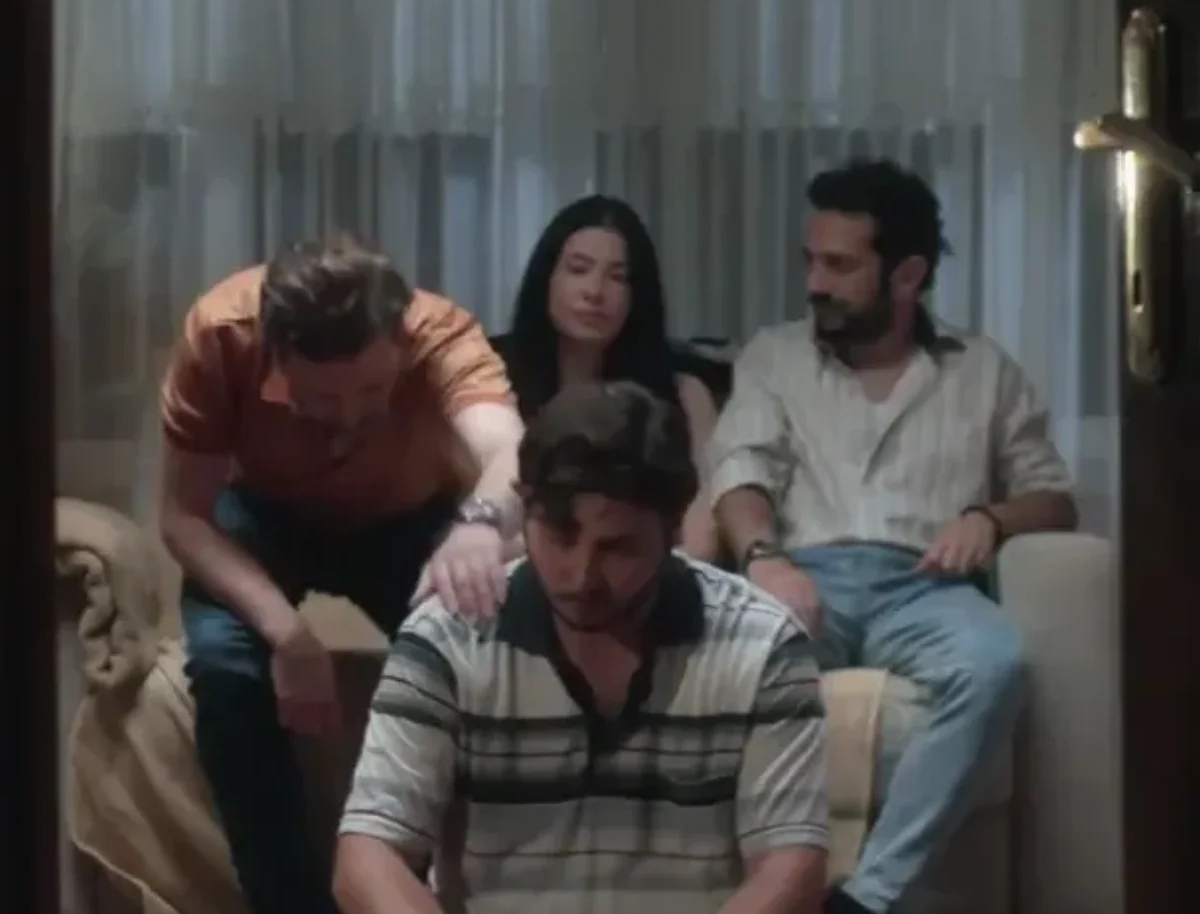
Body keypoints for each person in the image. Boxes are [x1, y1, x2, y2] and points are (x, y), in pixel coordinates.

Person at [706, 159, 1077, 914]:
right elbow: (739, 474)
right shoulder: (775, 356)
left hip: (926, 587)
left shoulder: (984, 370)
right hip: (804, 575)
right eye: (811, 261)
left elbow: (1054, 498)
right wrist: (763, 558)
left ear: (908, 276)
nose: (815, 283)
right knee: (725, 665)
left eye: (840, 266)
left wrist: (991, 519)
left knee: (996, 664)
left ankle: (869, 898)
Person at [333, 380, 830, 914]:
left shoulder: (762, 644)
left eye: (617, 547)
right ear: (525, 510)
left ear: (672, 532)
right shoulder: (449, 638)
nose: (581, 574)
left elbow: (790, 870)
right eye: (560, 536)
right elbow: (369, 857)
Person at [158, 235, 524, 914]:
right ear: (275, 354)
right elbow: (184, 516)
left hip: (408, 518)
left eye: (374, 389)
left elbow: (510, 449)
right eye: (322, 398)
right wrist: (288, 635)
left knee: (476, 655)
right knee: (225, 670)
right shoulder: (222, 333)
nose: (351, 416)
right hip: (264, 515)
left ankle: (432, 891)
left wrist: (478, 522)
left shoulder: (440, 332)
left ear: (400, 342)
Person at [492, 194, 722, 559]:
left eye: (618, 277)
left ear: (638, 294)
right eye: (578, 269)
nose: (594, 291)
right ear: (546, 278)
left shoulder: (685, 394)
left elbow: (701, 543)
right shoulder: (491, 379)